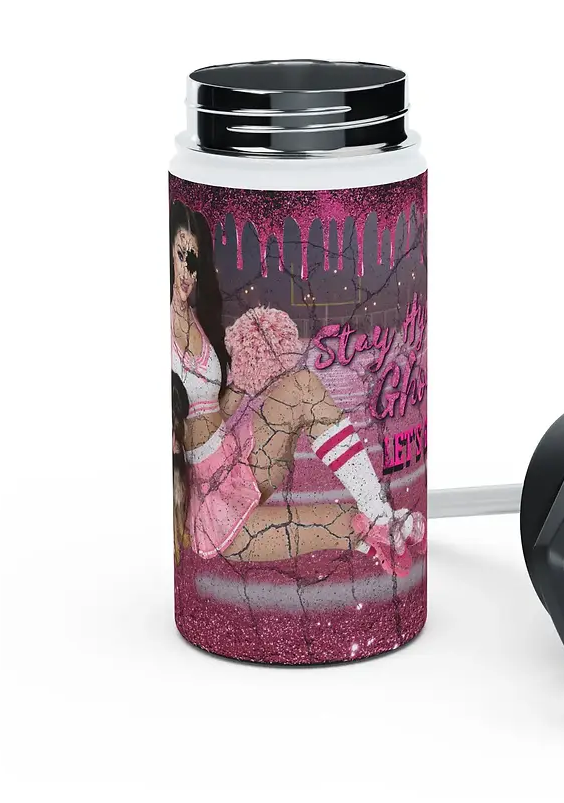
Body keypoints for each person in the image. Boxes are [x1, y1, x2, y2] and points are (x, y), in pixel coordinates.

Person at [169, 199, 423, 574]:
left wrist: (246, 378)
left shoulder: (197, 318)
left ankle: (379, 513)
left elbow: (212, 409)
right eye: (180, 256)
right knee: (342, 522)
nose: (187, 270)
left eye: (193, 258)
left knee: (302, 386)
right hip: (211, 500)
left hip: (236, 456)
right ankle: (382, 532)